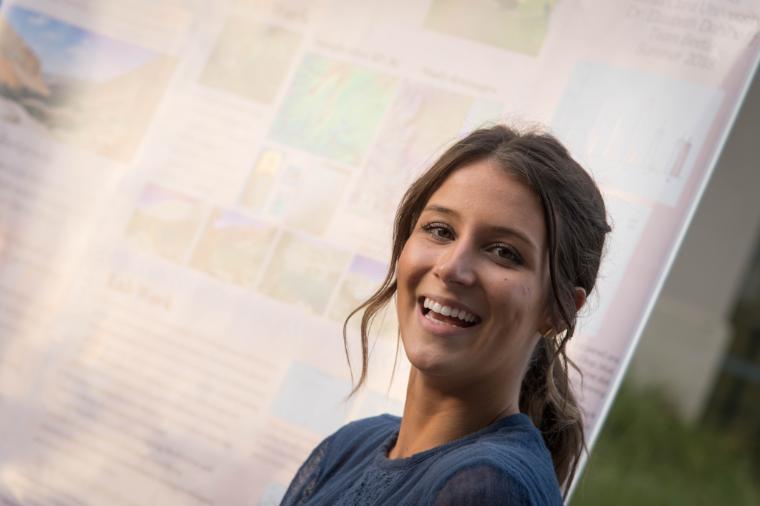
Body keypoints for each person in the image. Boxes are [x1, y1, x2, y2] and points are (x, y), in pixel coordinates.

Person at [280, 124, 611, 505]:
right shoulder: (348, 448)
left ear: (559, 311)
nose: (452, 267)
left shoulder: (490, 488)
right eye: (440, 230)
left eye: (504, 252)